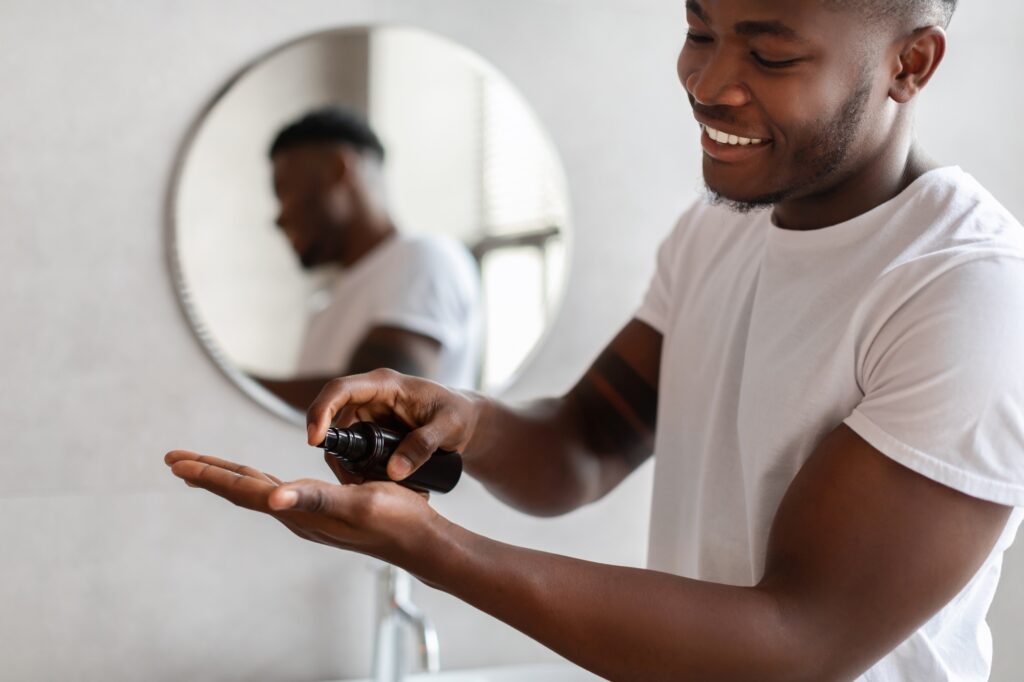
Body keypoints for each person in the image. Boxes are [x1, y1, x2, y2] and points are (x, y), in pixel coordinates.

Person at [166, 2, 1024, 679]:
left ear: (909, 64)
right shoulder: (718, 230)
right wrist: (464, 419)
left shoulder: (968, 290)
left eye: (769, 55)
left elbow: (795, 644)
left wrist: (433, 550)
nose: (708, 81)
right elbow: (582, 447)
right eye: (698, 29)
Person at [251, 108, 483, 408]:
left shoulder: (425, 258)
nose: (279, 218)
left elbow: (377, 402)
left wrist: (218, 381)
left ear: (337, 170)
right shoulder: (325, 305)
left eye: (284, 191)